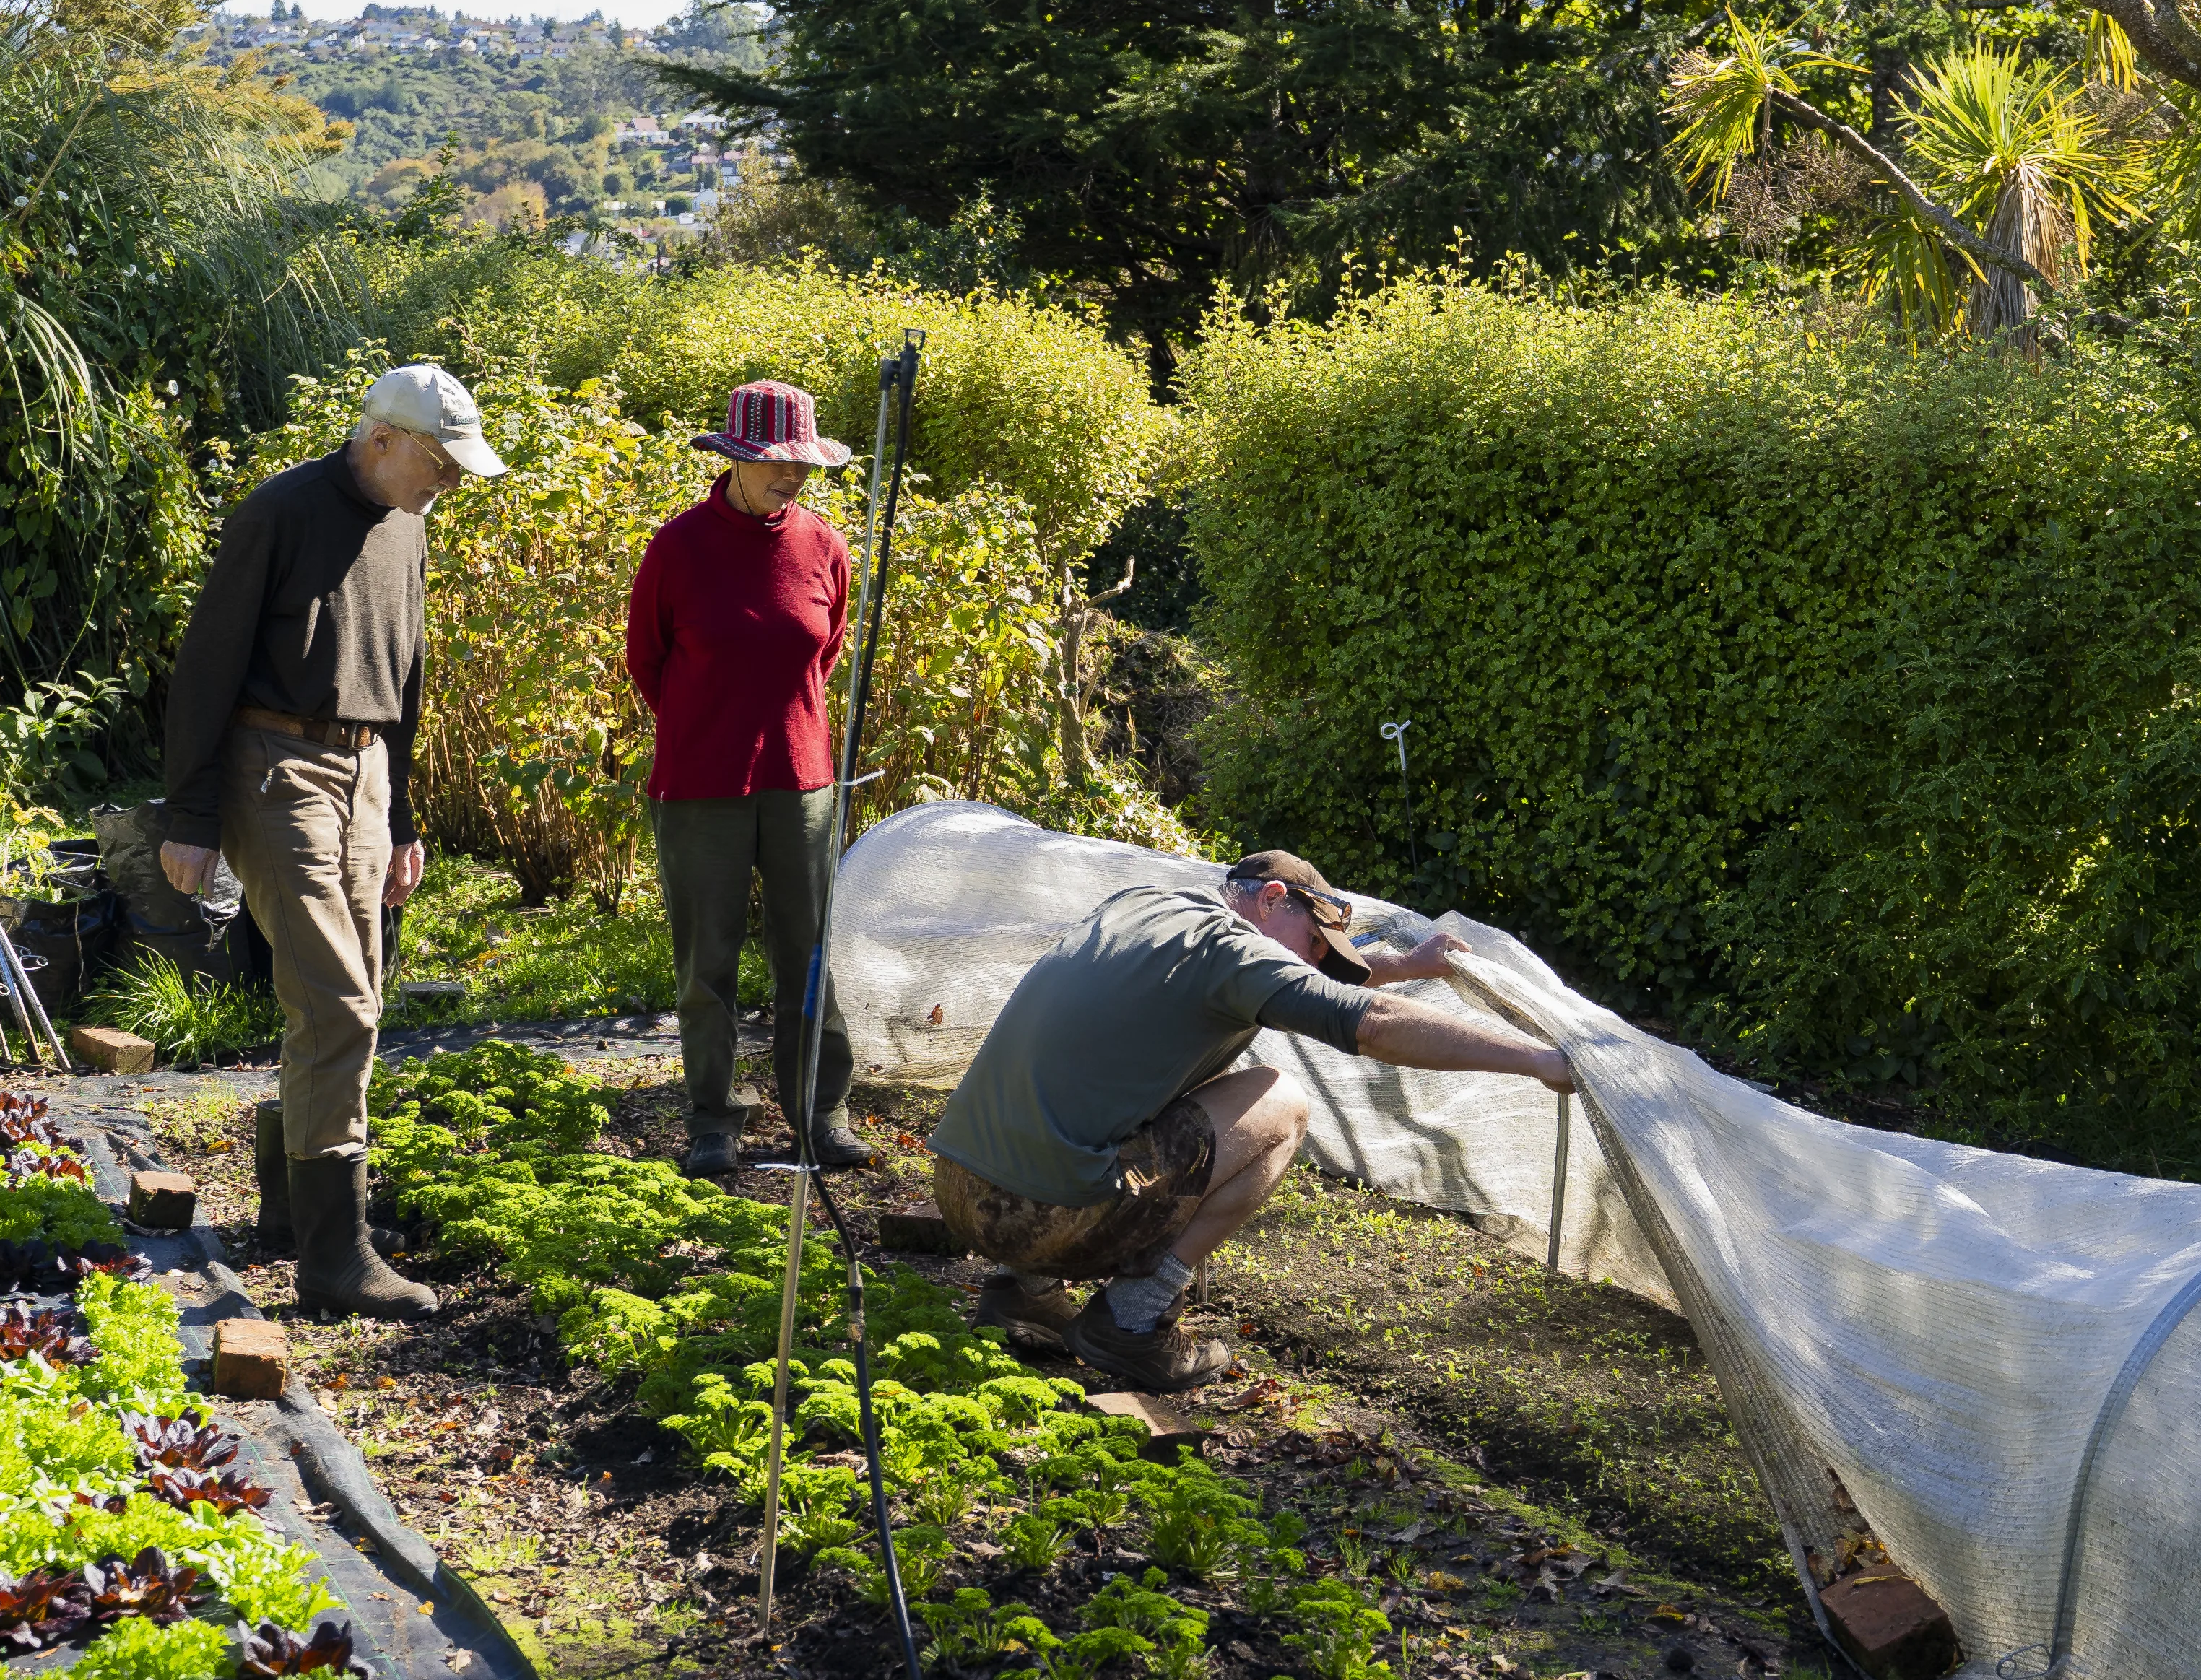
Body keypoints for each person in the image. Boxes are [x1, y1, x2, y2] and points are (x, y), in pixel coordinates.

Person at [926, 849, 1575, 1392]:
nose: (1311, 963)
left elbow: (1314, 978)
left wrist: (1408, 966)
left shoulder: (1141, 905)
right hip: (1047, 1214)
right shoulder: (1233, 953)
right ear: (1270, 900)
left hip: (960, 1192)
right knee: (1282, 1103)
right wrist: (1536, 1059)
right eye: (1315, 943)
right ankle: (1130, 1325)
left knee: (1143, 1079)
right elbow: (1367, 1023)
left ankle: (1024, 1291)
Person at [156, 361, 503, 1320]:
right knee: (337, 998)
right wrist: (189, 818)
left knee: (351, 993)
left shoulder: (411, 523)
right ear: (382, 440)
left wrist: (402, 816)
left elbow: (409, 669)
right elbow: (205, 665)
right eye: (440, 461)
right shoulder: (281, 512)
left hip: (368, 770)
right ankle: (334, 1256)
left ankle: (289, 1210)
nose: (452, 481)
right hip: (276, 768)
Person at [622, 377, 863, 1179]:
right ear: (731, 459)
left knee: (809, 952)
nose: (791, 478)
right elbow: (647, 662)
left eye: (801, 464)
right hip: (700, 786)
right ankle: (713, 1121)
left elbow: (821, 658)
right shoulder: (679, 547)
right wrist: (711, 726)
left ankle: (821, 1115)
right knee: (708, 961)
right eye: (774, 464)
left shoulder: (826, 547)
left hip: (803, 784)